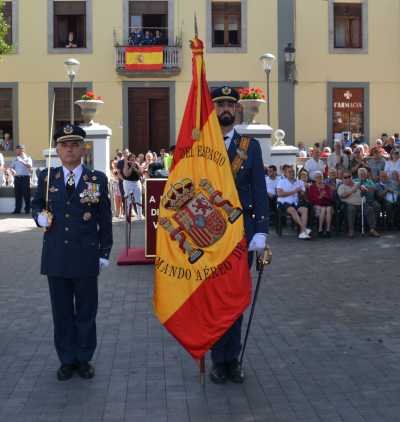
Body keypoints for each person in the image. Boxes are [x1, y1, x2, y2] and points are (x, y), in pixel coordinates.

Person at [31, 124, 113, 381]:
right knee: (62, 313)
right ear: (57, 149)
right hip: (56, 257)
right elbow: (36, 205)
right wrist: (38, 218)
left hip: (86, 256)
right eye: (65, 145)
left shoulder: (96, 179)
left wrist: (104, 253)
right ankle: (67, 359)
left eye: (75, 144)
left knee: (87, 312)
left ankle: (84, 358)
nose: (69, 149)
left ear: (82, 148)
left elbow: (105, 218)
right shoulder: (47, 178)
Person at [210, 86, 268, 384]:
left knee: (235, 298)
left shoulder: (250, 146)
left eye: (230, 104)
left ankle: (233, 359)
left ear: (238, 109)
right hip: (209, 237)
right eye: (220, 104)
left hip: (241, 236)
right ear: (213, 109)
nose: (225, 109)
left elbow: (259, 190)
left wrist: (261, 230)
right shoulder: (202, 144)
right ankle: (218, 360)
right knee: (215, 300)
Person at [338, 169, 380, 238]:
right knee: (351, 209)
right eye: (345, 177)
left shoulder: (357, 184)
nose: (348, 178)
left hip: (362, 203)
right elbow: (343, 195)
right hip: (351, 204)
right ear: (342, 178)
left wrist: (364, 190)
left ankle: (372, 229)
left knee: (370, 209)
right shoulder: (341, 187)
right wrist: (353, 190)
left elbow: (366, 192)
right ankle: (351, 230)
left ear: (351, 177)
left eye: (349, 176)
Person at [277, 166, 311, 239]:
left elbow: (303, 195)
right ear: (285, 173)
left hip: (295, 203)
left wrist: (302, 192)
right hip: (283, 203)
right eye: (290, 172)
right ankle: (304, 229)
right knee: (292, 210)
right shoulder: (281, 181)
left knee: (305, 209)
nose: (292, 173)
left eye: (293, 172)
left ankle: (302, 233)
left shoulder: (299, 182)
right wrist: (294, 191)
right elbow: (280, 194)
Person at [309, 171, 334, 237]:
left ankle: (328, 230)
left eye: (320, 177)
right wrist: (319, 197)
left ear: (322, 178)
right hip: (317, 205)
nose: (319, 179)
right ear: (314, 179)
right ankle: (320, 229)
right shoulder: (312, 187)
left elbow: (330, 198)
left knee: (328, 209)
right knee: (323, 209)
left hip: (327, 204)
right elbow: (311, 199)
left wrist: (324, 196)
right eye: (317, 177)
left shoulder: (327, 187)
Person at [10, 144, 33, 214]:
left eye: (18, 149)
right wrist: (12, 170)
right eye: (17, 150)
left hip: (25, 178)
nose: (17, 151)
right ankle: (17, 210)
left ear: (22, 150)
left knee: (26, 194)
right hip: (17, 178)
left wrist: (22, 161)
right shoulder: (15, 159)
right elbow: (11, 167)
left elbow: (30, 166)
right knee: (17, 194)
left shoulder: (28, 158)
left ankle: (27, 209)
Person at [123, 153, 143, 220]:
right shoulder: (126, 165)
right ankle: (128, 216)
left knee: (139, 199)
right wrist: (131, 166)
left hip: (137, 183)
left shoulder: (136, 164)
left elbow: (141, 173)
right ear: (129, 160)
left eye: (134, 159)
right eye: (131, 159)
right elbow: (126, 174)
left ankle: (139, 216)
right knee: (128, 199)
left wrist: (137, 166)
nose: (132, 160)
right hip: (128, 183)